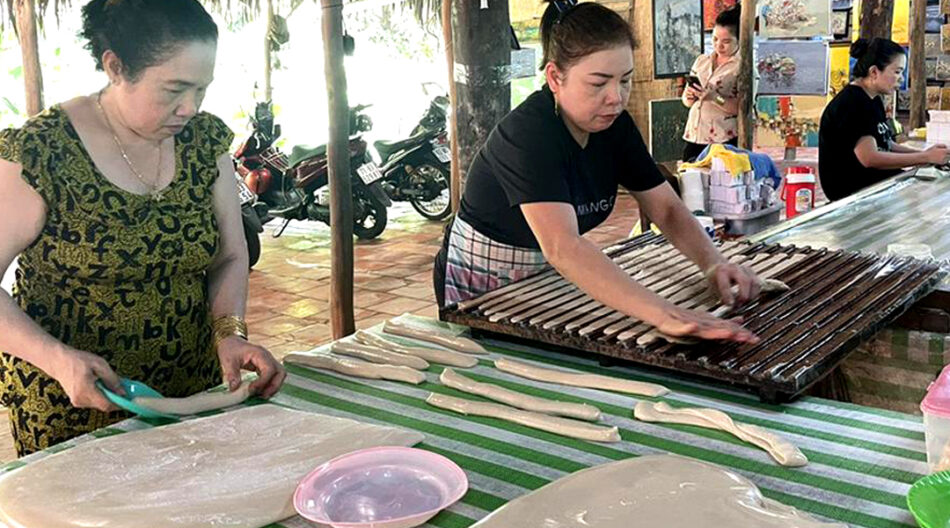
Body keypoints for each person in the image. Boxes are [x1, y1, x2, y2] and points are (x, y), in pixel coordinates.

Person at [0, 0, 284, 457]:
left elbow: (230, 254)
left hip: (189, 389)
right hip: (76, 400)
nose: (189, 108)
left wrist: (229, 332)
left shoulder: (204, 142)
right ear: (115, 67)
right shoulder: (41, 153)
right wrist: (58, 359)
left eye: (201, 89)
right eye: (174, 89)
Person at [433, 0, 761, 344]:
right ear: (555, 77)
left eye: (625, 80)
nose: (616, 98)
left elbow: (665, 208)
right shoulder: (528, 135)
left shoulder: (615, 127)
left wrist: (713, 263)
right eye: (598, 83)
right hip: (484, 280)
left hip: (547, 275)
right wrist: (664, 314)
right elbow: (563, 247)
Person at [819, 38, 950, 201]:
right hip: (854, 191)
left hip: (873, 183)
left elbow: (886, 144)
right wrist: (925, 158)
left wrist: (926, 155)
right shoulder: (853, 103)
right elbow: (869, 158)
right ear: (874, 72)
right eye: (897, 72)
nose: (901, 79)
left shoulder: (873, 99)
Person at [681, 6, 741, 162]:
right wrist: (689, 96)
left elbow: (742, 108)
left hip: (723, 138)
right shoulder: (702, 61)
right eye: (715, 39)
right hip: (694, 135)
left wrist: (715, 97)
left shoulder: (742, 68)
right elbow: (686, 101)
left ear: (739, 40)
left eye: (726, 41)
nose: (718, 45)